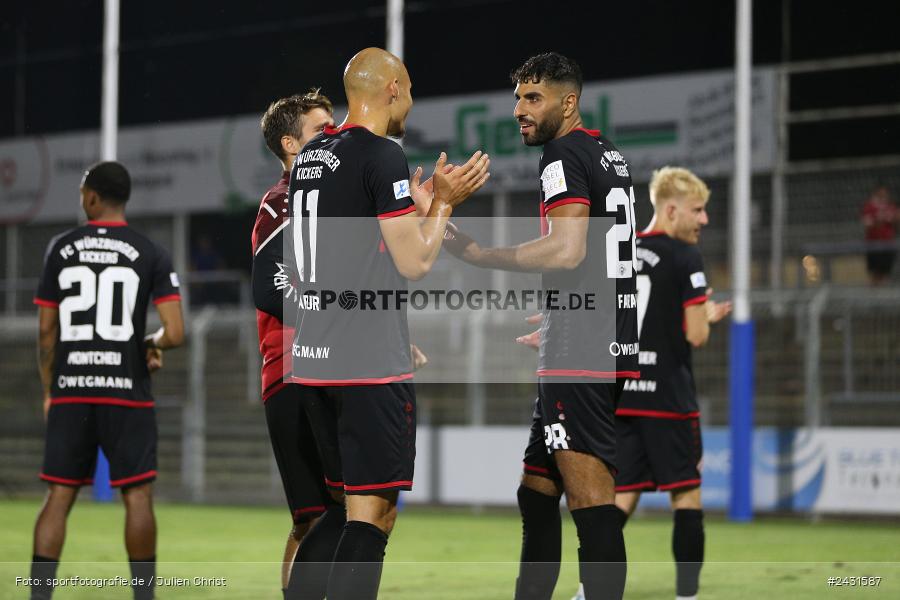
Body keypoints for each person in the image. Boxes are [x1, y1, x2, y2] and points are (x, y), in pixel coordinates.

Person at [285, 47, 490, 600]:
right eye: (411, 88)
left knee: (342, 511)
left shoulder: (312, 156)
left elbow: (357, 247)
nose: (412, 101)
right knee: (373, 515)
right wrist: (444, 204)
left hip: (314, 360)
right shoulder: (381, 155)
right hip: (367, 363)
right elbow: (415, 263)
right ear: (393, 89)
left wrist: (414, 208)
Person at [443, 52, 638, 600]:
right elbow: (607, 253)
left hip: (582, 348)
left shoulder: (561, 152)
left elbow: (568, 248)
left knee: (592, 499)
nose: (519, 111)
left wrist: (479, 252)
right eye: (517, 98)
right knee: (536, 491)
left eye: (533, 99)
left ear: (567, 103)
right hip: (593, 333)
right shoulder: (607, 153)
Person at [30, 161, 185, 600]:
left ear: (93, 197)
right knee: (137, 497)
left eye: (82, 191)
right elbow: (175, 332)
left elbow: (46, 330)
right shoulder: (150, 251)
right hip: (126, 391)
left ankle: (39, 595)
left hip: (72, 391)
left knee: (58, 497)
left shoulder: (60, 248)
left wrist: (49, 390)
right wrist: (149, 343)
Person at [576, 167, 729, 600]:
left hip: (621, 399)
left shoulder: (622, 250)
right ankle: (686, 595)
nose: (703, 220)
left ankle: (589, 592)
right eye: (698, 211)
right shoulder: (685, 257)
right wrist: (704, 318)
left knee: (619, 500)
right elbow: (695, 335)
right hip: (668, 402)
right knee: (686, 497)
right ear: (672, 209)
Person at [254, 90, 345, 599]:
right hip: (293, 370)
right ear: (291, 144)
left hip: (337, 365)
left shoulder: (335, 199)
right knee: (314, 517)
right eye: (320, 128)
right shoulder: (283, 199)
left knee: (349, 509)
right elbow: (267, 286)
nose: (332, 133)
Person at [860, 185, 898, 285]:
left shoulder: (891, 206)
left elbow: (895, 223)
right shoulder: (869, 206)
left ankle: (883, 290)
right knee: (875, 272)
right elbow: (867, 224)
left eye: (885, 193)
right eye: (881, 193)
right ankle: (875, 290)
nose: (883, 195)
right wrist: (878, 220)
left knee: (885, 271)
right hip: (874, 244)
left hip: (888, 244)